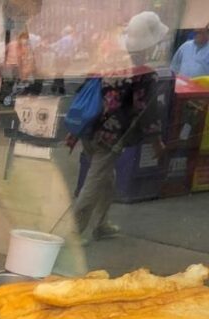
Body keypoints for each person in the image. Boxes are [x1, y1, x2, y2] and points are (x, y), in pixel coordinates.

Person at [66, 11, 168, 244]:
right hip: (110, 138)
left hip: (89, 130)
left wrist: (74, 132)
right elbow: (146, 112)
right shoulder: (145, 74)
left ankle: (101, 224)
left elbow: (86, 94)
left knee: (106, 179)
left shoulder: (110, 62)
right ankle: (74, 232)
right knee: (93, 183)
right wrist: (157, 142)